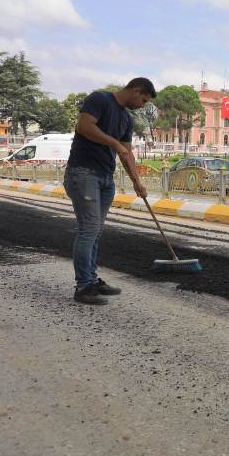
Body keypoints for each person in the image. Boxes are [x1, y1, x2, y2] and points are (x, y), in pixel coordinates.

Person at [64, 78, 156, 305]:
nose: (142, 105)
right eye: (143, 100)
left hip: (105, 178)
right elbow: (84, 126)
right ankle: (83, 287)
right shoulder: (100, 99)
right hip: (83, 173)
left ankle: (91, 280)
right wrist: (113, 143)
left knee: (95, 231)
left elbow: (127, 153)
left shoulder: (126, 118)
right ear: (136, 90)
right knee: (89, 230)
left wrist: (137, 181)